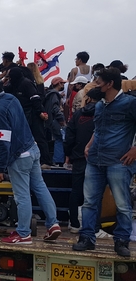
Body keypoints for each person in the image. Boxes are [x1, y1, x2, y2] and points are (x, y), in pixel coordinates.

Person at [0, 74, 61, 244]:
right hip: (32, 148)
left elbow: (3, 141)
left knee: (22, 195)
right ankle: (53, 223)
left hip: (18, 155)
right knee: (40, 187)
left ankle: (24, 233)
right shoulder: (11, 98)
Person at [72, 68, 136, 257]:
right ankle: (87, 238)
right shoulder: (99, 105)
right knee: (89, 202)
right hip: (94, 160)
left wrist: (135, 150)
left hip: (119, 162)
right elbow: (98, 129)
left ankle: (122, 240)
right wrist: (89, 145)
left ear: (110, 84)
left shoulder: (130, 103)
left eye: (99, 81)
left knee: (122, 203)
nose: (96, 84)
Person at [64, 88, 102, 234]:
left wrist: (68, 154)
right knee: (95, 193)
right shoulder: (103, 113)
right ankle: (95, 227)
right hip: (97, 158)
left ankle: (73, 223)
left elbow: (69, 136)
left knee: (76, 191)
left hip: (78, 157)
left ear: (88, 99)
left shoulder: (78, 114)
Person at [5, 67, 53, 168]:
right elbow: (2, 89)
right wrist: (3, 80)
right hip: (22, 115)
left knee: (39, 137)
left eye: (10, 76)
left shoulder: (26, 83)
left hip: (33, 114)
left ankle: (46, 161)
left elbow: (35, 98)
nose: (8, 78)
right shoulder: (12, 84)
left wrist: (40, 112)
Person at [44, 77, 67, 165]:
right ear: (58, 84)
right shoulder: (54, 94)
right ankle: (58, 160)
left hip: (49, 120)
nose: (63, 85)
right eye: (62, 83)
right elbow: (55, 108)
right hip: (55, 120)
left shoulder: (49, 94)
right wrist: (61, 119)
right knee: (59, 139)